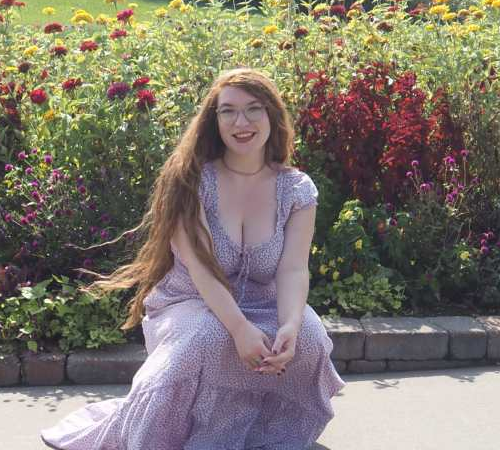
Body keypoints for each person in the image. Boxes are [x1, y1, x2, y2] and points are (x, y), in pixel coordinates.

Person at [40, 68, 346, 449]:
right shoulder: (190, 181)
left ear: (272, 114)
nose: (241, 122)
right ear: (213, 120)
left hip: (263, 302)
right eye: (228, 111)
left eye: (253, 109)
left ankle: (262, 437)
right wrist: (240, 328)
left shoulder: (297, 189)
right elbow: (201, 269)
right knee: (210, 335)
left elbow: (293, 269)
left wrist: (290, 324)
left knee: (310, 336)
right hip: (191, 300)